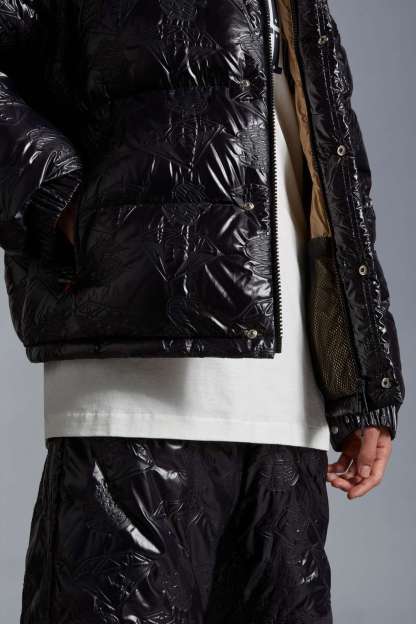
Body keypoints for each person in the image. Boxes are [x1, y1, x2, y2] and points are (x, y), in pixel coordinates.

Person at [0, 1, 405, 623]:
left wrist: (364, 377)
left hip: (289, 409)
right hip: (136, 383)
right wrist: (64, 204)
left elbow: (330, 160)